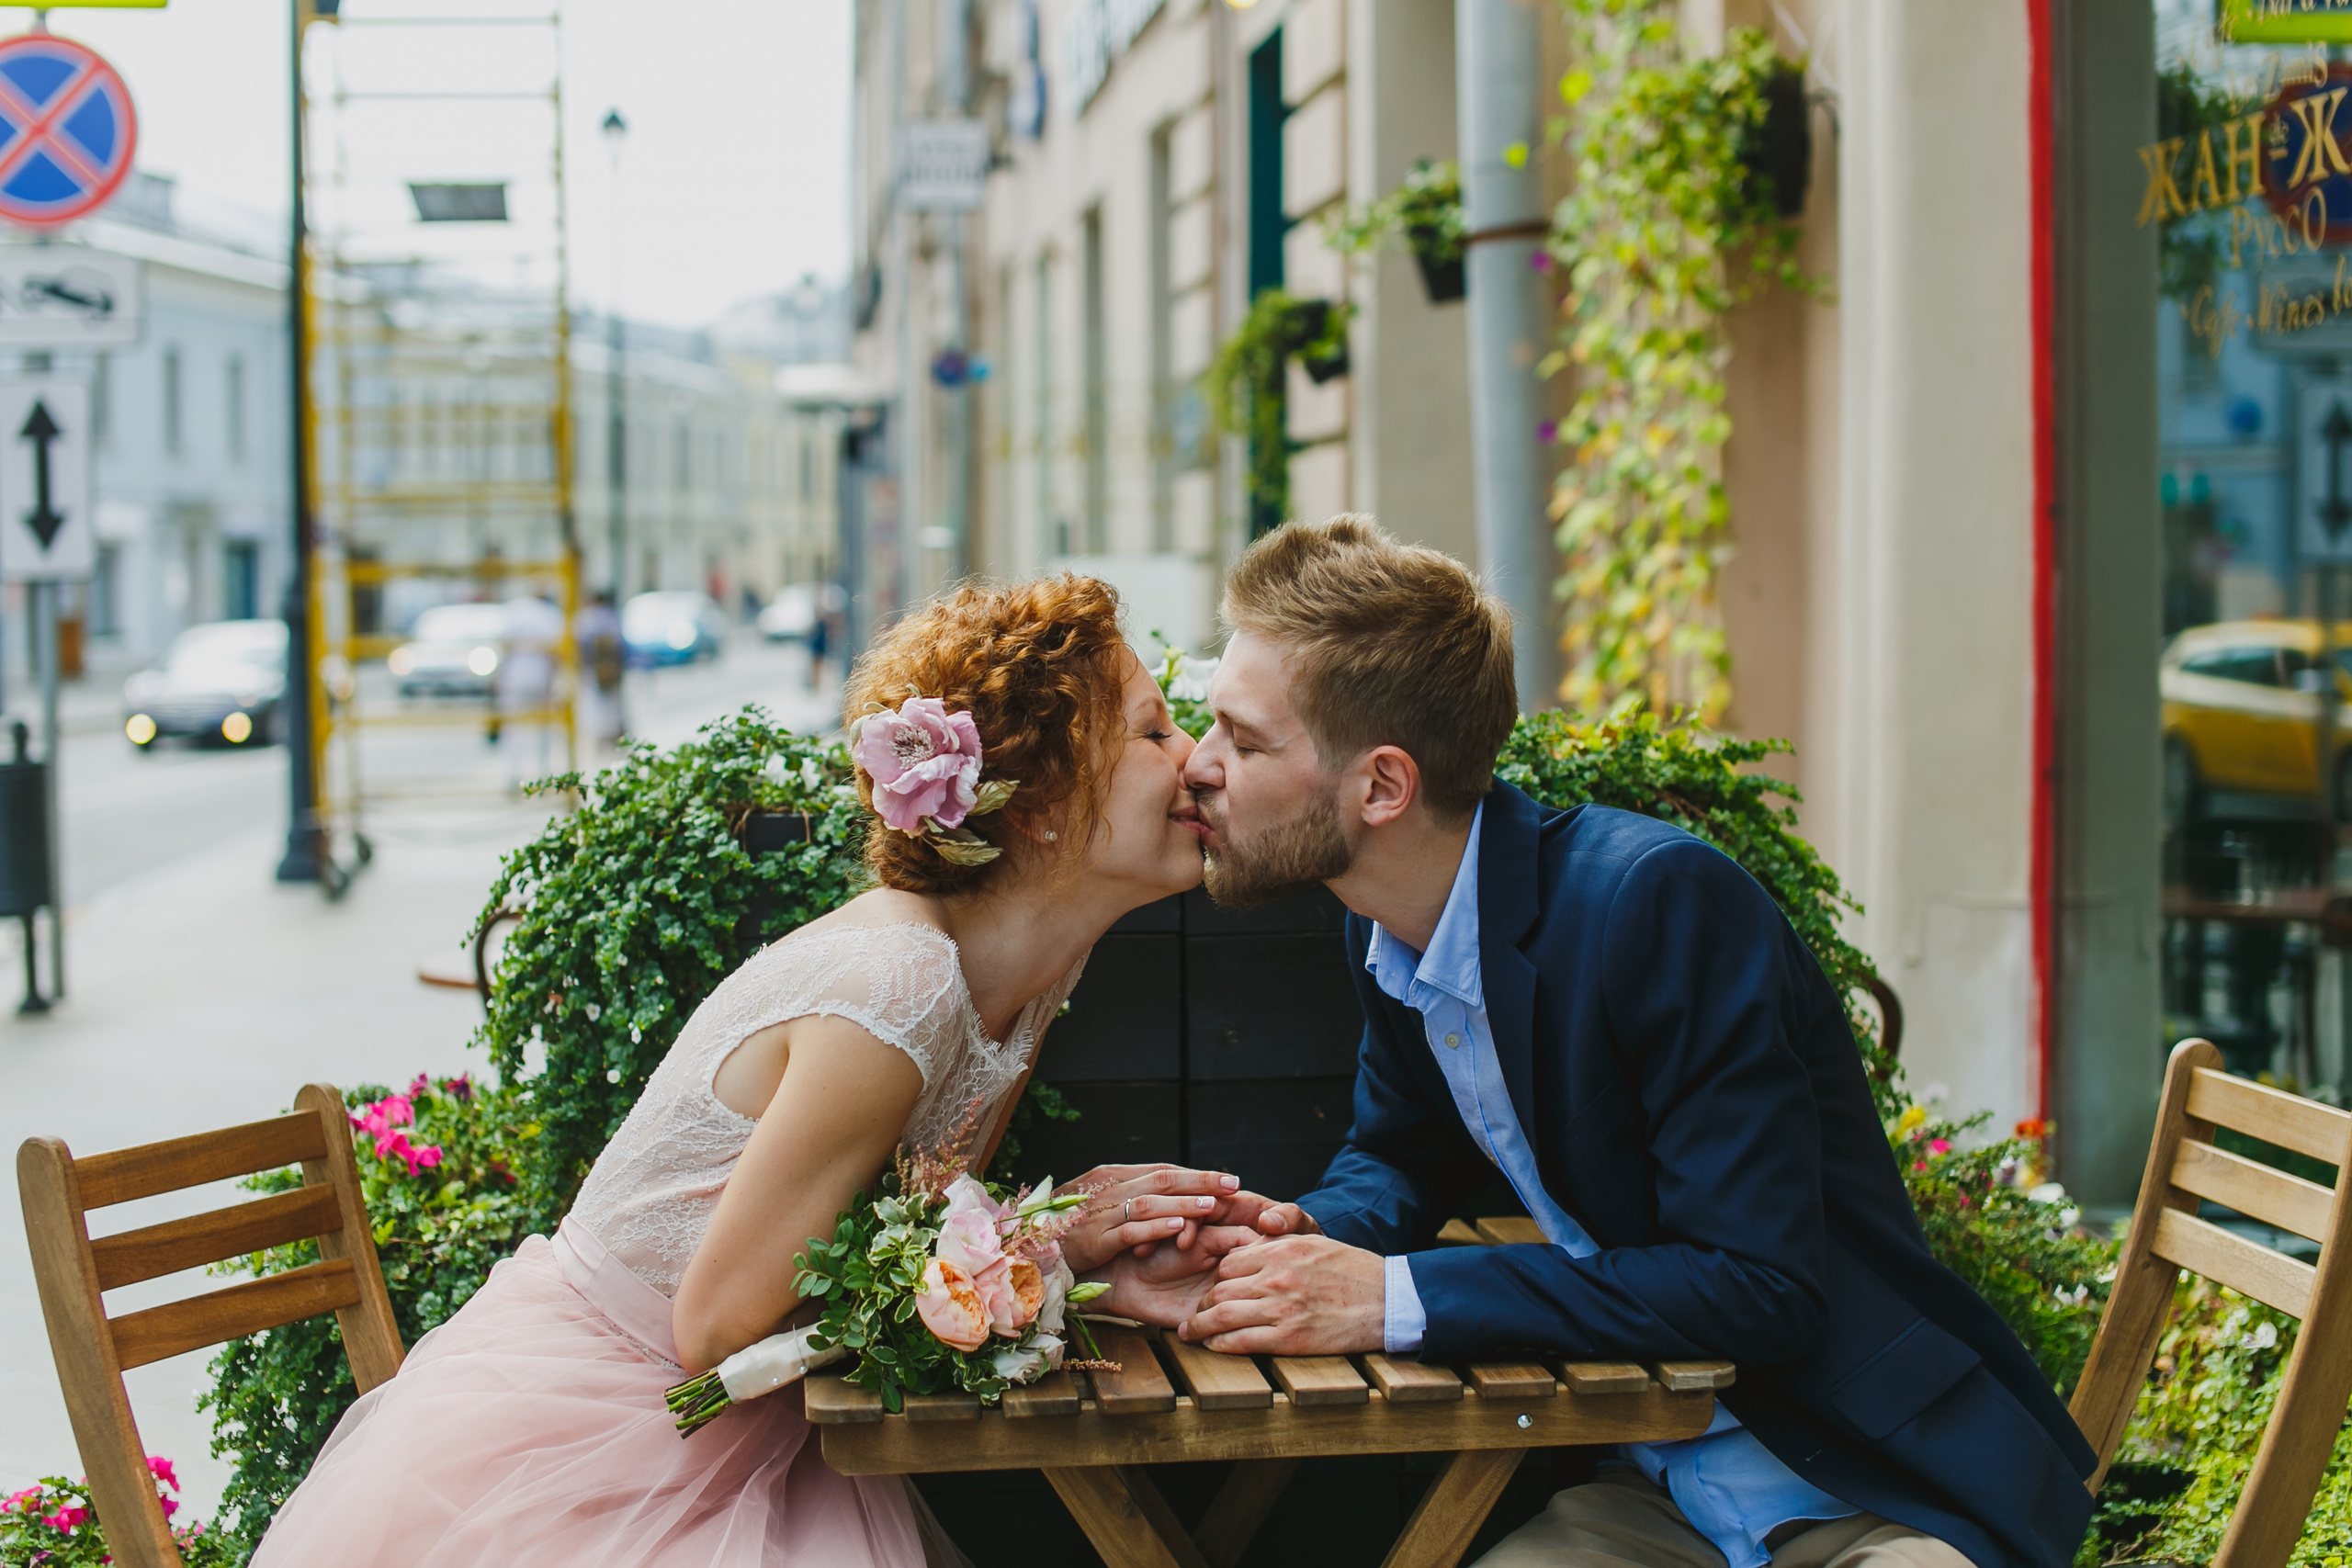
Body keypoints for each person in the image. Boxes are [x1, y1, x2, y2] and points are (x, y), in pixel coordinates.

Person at [1146, 517, 2097, 1568]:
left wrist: (1392, 1299)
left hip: (1871, 1487)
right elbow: (1404, 1151)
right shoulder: (1385, 918)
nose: (1197, 763)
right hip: (1658, 1490)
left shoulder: (1657, 908)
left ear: (1380, 787)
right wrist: (1294, 1235)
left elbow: (1758, 1290)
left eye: (1244, 738)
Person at [249, 576, 1253, 1568]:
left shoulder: (1030, 974)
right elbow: (717, 1328)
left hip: (750, 1417)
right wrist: (1052, 1245)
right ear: (1041, 799)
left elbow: (921, 1218)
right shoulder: (899, 980)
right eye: (1157, 730)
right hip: (621, 1429)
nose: (1195, 759)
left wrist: (1068, 1256)